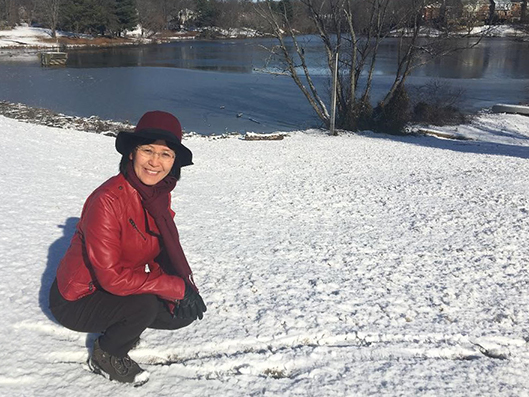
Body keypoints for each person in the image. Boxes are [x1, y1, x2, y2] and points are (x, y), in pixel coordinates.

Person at [49, 111, 206, 386]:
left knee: (180, 314)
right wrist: (171, 287)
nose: (155, 162)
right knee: (143, 306)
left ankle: (124, 321)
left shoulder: (157, 195)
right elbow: (111, 277)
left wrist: (181, 288)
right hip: (78, 298)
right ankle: (106, 354)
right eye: (148, 150)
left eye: (165, 154)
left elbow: (160, 248)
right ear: (132, 153)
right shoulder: (107, 201)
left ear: (174, 161)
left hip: (118, 287)